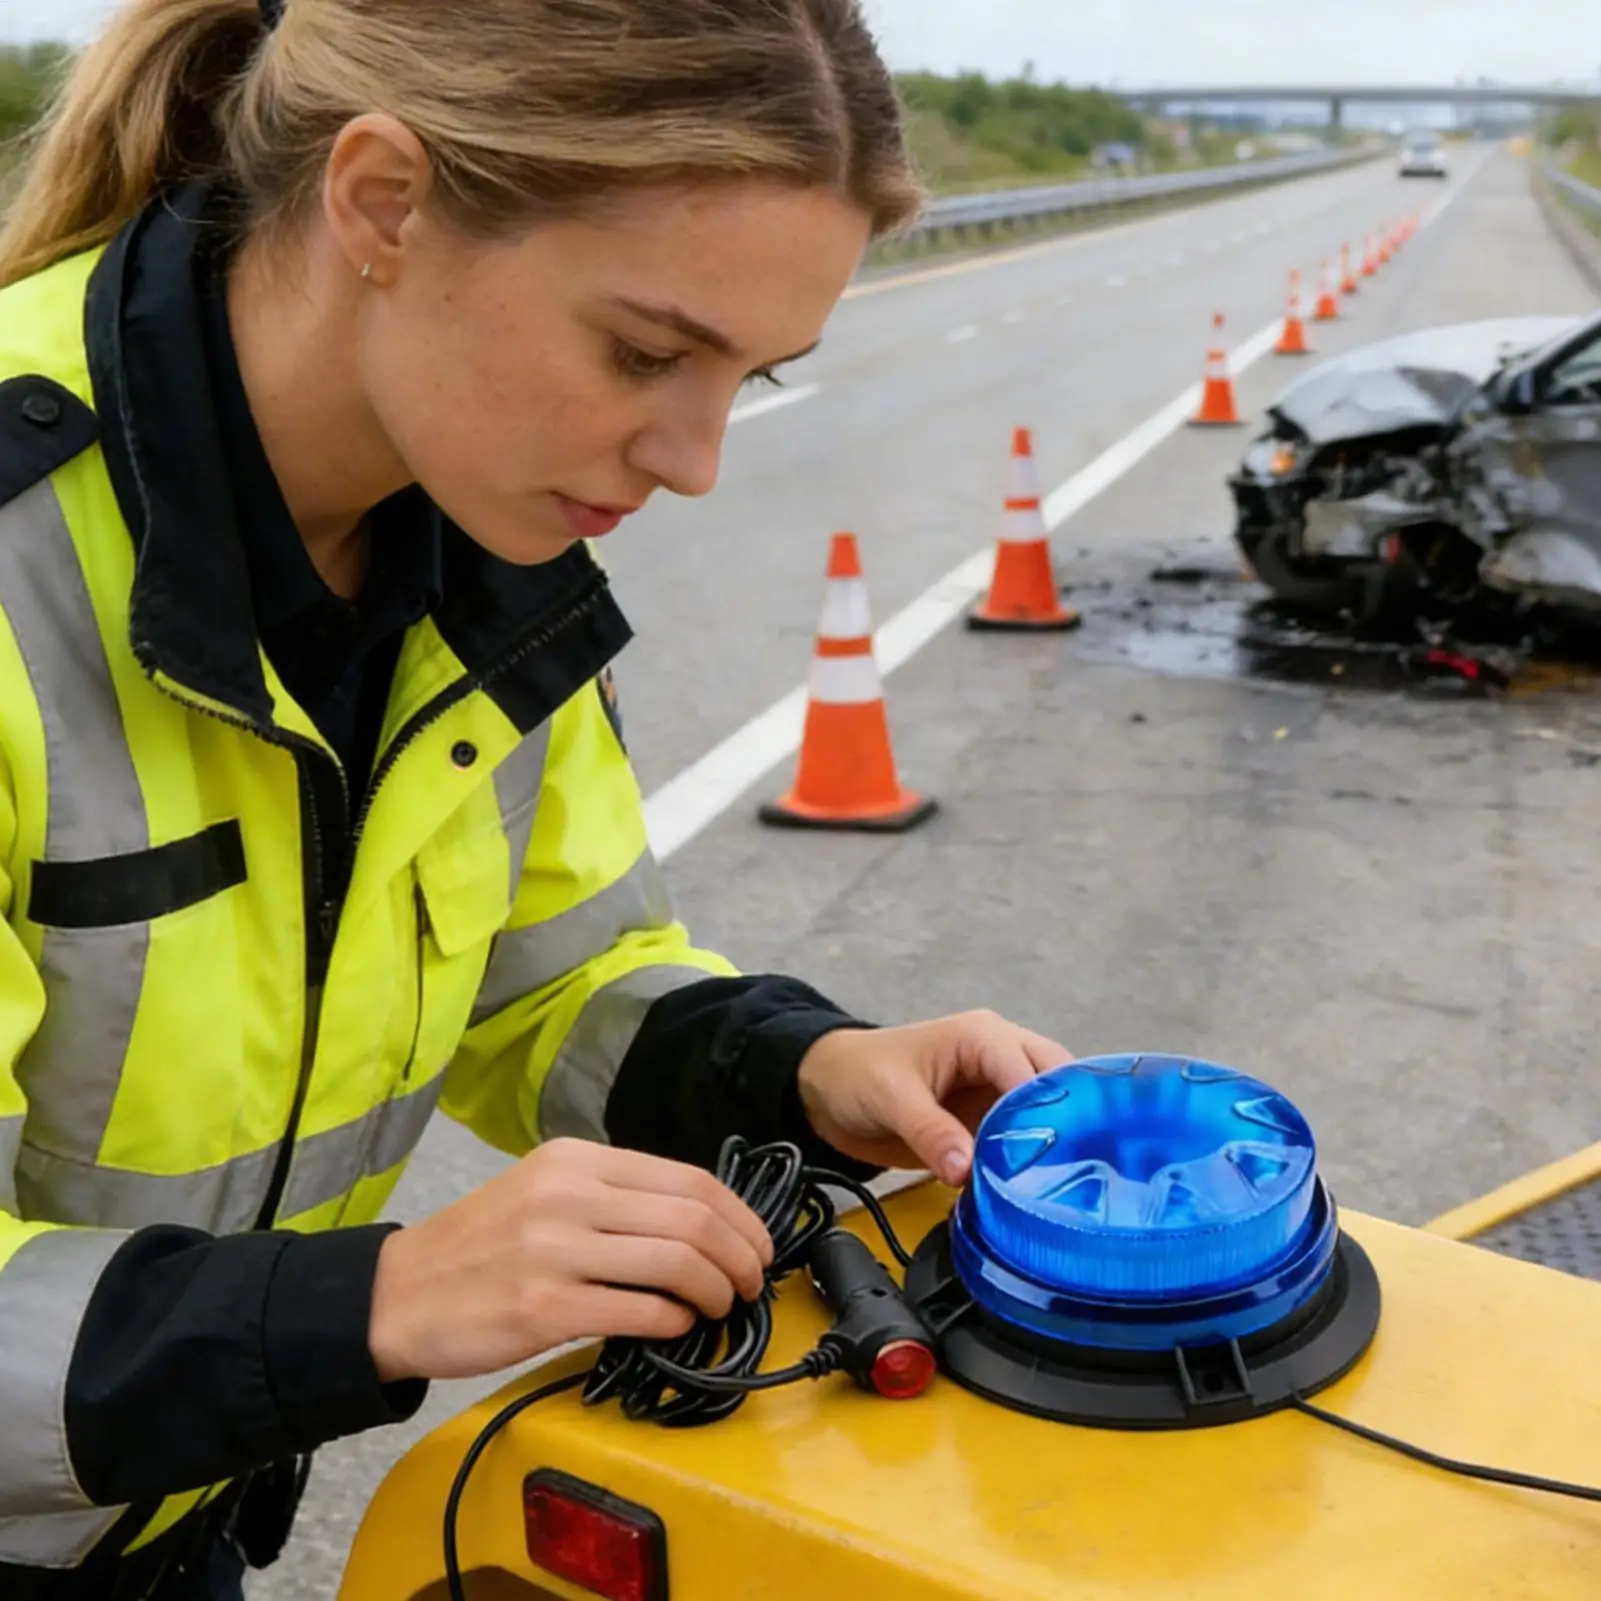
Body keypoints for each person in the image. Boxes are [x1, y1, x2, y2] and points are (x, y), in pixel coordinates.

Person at [0, 0, 1071, 1594]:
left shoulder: (479, 546)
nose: (695, 457)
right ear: (383, 202)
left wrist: (805, 1070)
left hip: (152, 1522)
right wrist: (376, 1298)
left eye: (751, 376)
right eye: (646, 352)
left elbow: (555, 976)